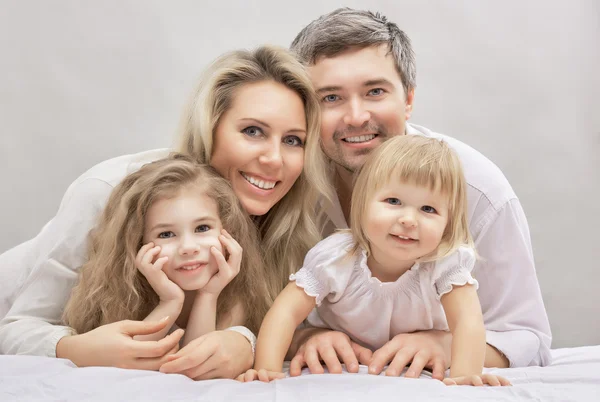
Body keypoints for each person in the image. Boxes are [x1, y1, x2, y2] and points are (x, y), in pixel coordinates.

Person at [0, 45, 333, 380]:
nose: (274, 159)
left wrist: (246, 340)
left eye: (293, 140)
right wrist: (73, 348)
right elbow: (15, 326)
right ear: (209, 127)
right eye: (252, 131)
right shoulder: (109, 191)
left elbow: (261, 318)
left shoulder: (287, 221)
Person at [287, 8, 552, 379]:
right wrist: (304, 337)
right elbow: (262, 309)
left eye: (375, 91)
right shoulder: (290, 183)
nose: (356, 116)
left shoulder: (479, 190)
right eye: (330, 98)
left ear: (408, 99)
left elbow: (529, 338)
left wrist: (443, 344)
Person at [242, 136, 512, 386]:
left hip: (413, 368)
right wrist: (266, 369)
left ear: (448, 223)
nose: (408, 220)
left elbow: (467, 322)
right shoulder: (335, 258)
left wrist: (466, 376)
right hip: (343, 364)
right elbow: (285, 312)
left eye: (428, 209)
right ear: (362, 204)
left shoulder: (445, 264)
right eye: (393, 201)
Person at [63, 156, 269, 353]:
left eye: (202, 228)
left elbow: (196, 364)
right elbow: (125, 356)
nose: (188, 247)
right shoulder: (125, 296)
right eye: (166, 234)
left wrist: (208, 295)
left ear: (229, 231)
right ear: (138, 243)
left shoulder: (235, 296)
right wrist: (170, 301)